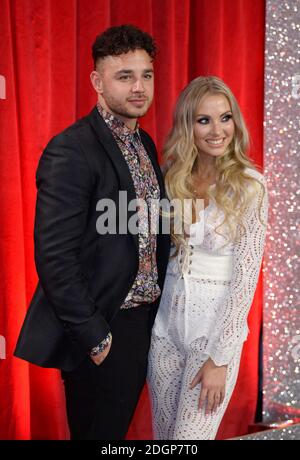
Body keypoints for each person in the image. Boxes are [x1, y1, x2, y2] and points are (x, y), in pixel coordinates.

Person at [14, 24, 170, 440]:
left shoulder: (145, 144)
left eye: (146, 75)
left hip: (143, 323)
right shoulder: (72, 149)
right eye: (125, 76)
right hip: (103, 325)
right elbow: (54, 256)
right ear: (97, 82)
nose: (139, 87)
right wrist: (95, 337)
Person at [147, 76, 268, 440]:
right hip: (164, 333)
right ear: (188, 126)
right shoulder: (170, 178)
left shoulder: (250, 185)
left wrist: (220, 358)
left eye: (225, 118)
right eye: (204, 120)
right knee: (164, 439)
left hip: (212, 338)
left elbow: (246, 278)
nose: (218, 130)